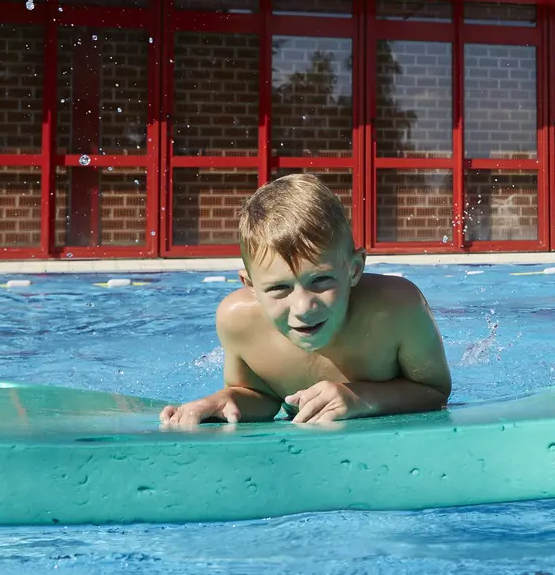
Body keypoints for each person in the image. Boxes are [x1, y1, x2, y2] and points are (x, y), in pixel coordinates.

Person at [160, 174, 451, 428]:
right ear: (250, 286)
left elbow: (434, 391)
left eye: (321, 280)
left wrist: (359, 398)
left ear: (355, 269)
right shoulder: (238, 320)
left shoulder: (396, 307)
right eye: (278, 288)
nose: (303, 307)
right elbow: (261, 397)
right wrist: (224, 401)